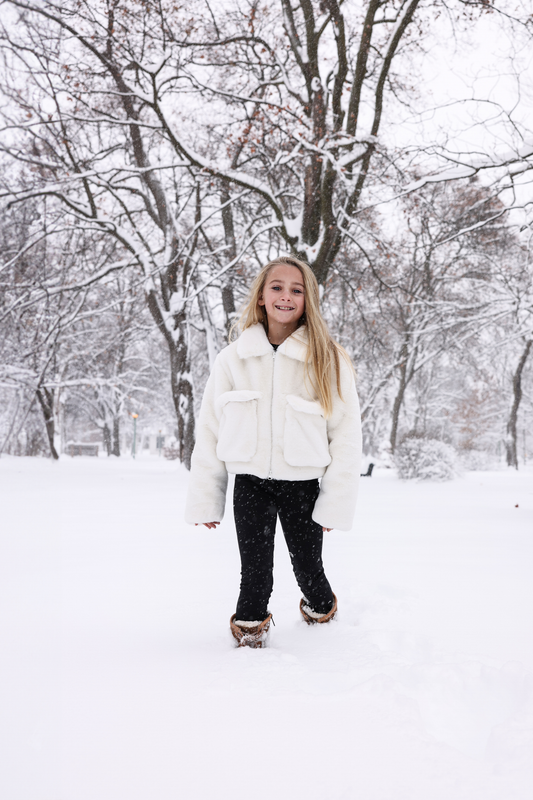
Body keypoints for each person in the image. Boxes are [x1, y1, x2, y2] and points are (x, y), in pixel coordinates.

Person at [185, 255, 362, 647]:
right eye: (277, 287)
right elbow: (211, 430)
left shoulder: (326, 358)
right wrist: (205, 499)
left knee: (308, 568)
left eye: (296, 290)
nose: (286, 296)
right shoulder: (233, 359)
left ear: (308, 299)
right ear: (261, 297)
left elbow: (346, 435)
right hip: (250, 484)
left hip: (302, 486)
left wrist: (335, 503)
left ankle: (321, 609)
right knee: (255, 572)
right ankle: (249, 631)